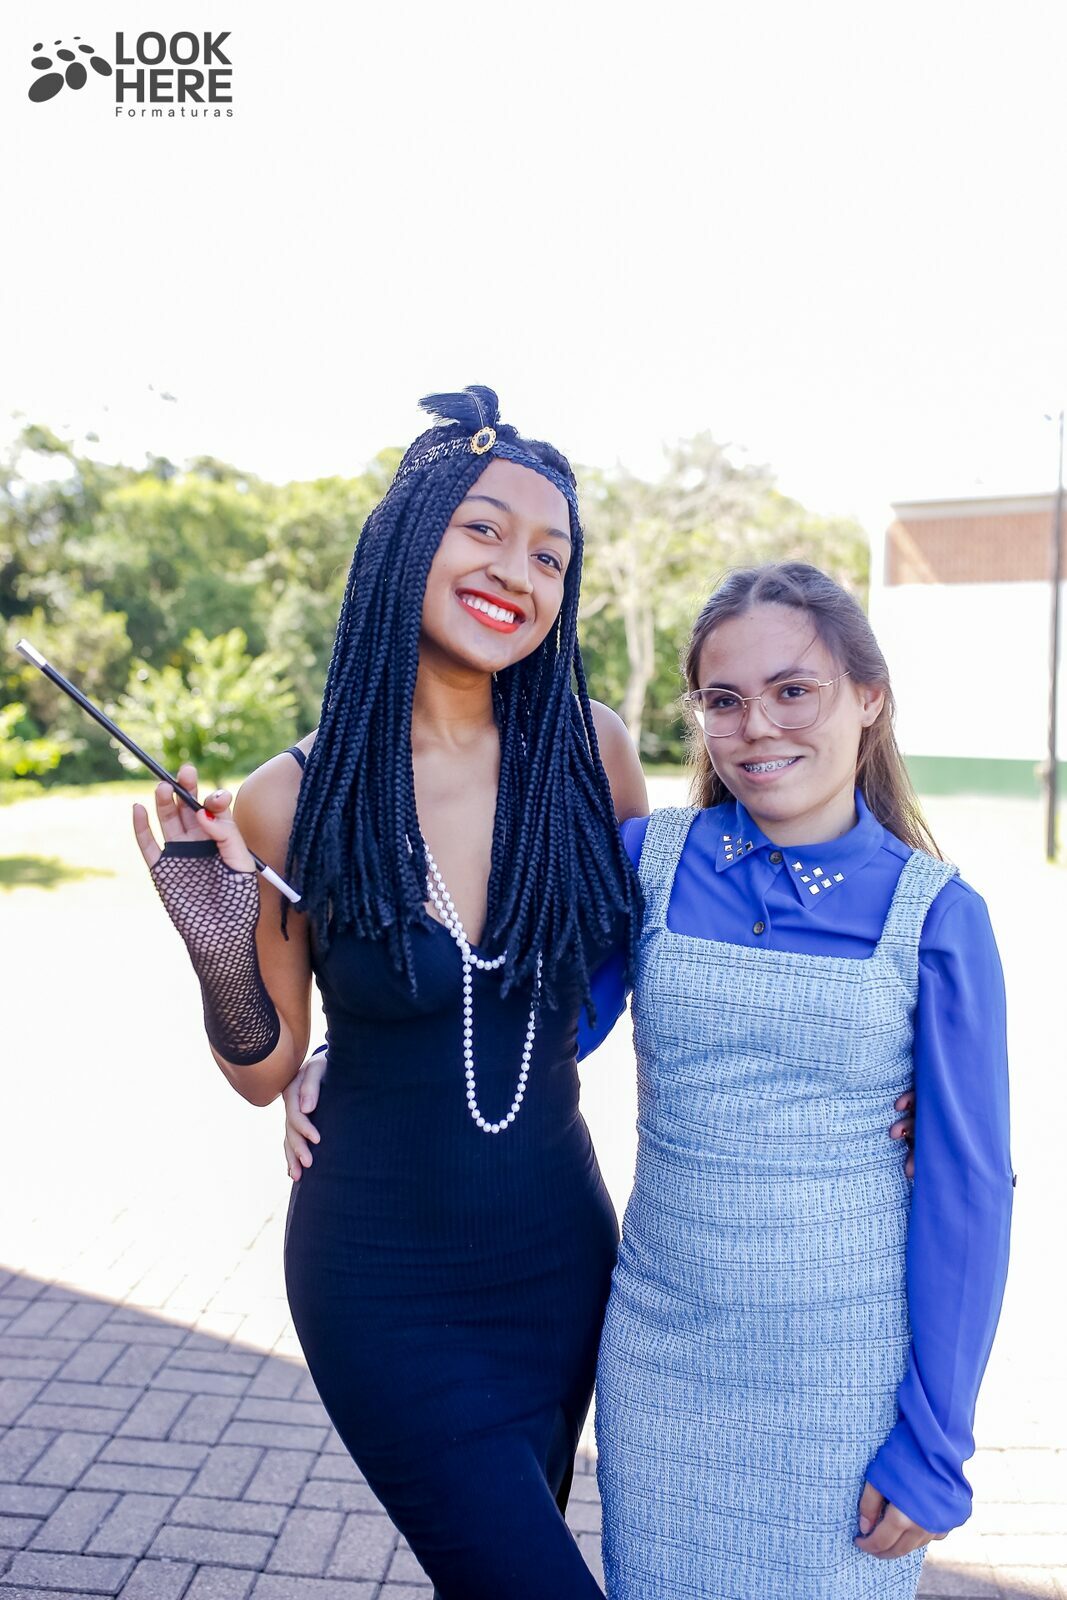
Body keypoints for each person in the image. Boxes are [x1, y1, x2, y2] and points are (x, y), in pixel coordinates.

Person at [134, 386, 648, 1600]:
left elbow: (646, 964)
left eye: (550, 554)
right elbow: (265, 1066)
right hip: (379, 1275)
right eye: (483, 529)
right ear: (407, 540)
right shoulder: (289, 797)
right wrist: (217, 938)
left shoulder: (592, 754)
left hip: (558, 1255)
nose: (516, 570)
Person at [591, 562, 1013, 1599]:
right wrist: (342, 1055)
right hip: (657, 1368)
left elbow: (965, 1194)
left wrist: (935, 1442)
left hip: (842, 1382)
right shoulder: (645, 860)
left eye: (792, 691)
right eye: (723, 700)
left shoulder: (937, 916)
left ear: (867, 698)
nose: (755, 727)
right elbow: (527, 1034)